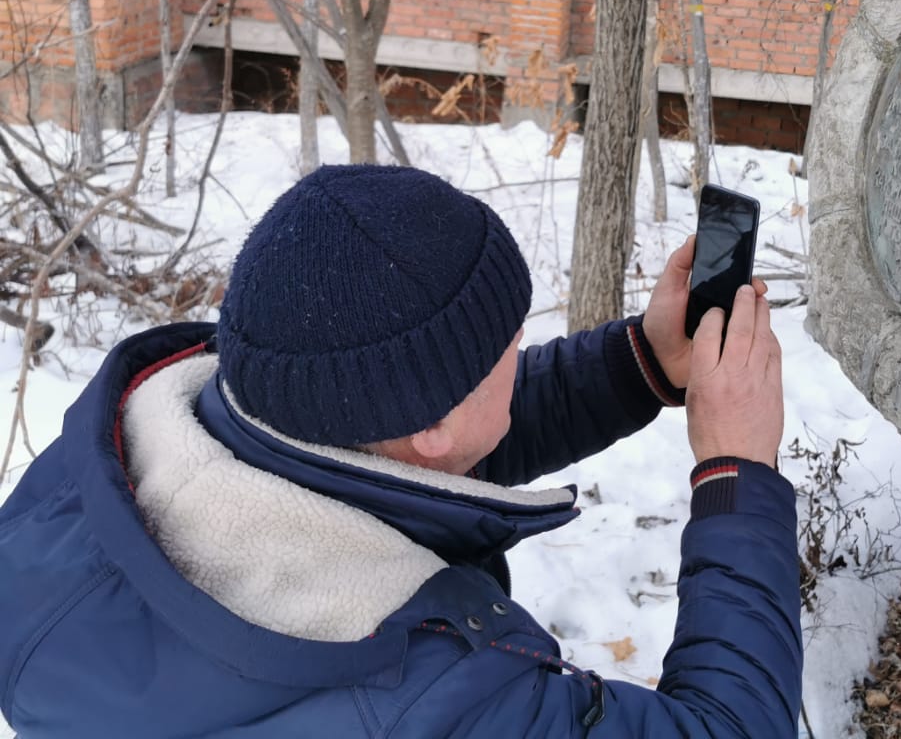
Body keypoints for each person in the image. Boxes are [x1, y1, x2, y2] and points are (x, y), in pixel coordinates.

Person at [0, 164, 800, 737]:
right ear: (431, 422)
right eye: (508, 353)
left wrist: (642, 364)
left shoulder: (97, 479)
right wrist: (738, 474)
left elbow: (428, 462)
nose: (520, 363)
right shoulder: (435, 697)